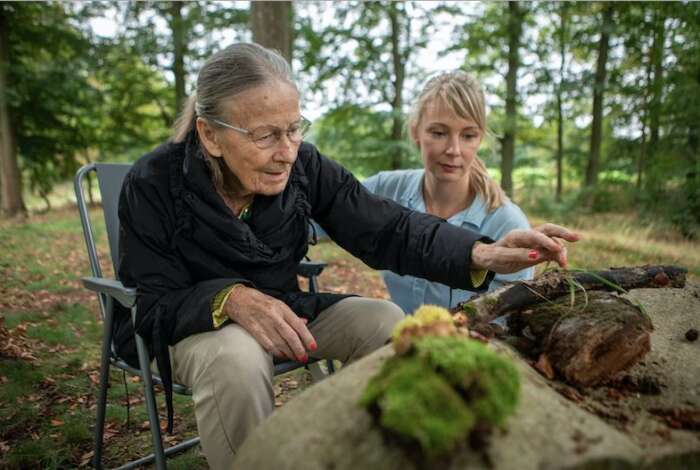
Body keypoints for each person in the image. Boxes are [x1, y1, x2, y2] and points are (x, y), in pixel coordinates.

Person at [116, 43, 579, 470]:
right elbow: (155, 301)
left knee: (383, 319)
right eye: (265, 136)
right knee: (236, 357)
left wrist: (481, 252)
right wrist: (230, 299)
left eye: (294, 129)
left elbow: (388, 227)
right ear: (210, 135)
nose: (286, 152)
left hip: (283, 309)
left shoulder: (304, 167)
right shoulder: (154, 183)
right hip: (187, 330)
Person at [364, 71, 533, 314]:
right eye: (439, 133)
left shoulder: (506, 224)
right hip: (395, 342)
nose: (454, 150)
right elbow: (315, 213)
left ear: (480, 138)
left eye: (468, 135)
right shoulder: (385, 190)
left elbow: (506, 321)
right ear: (415, 132)